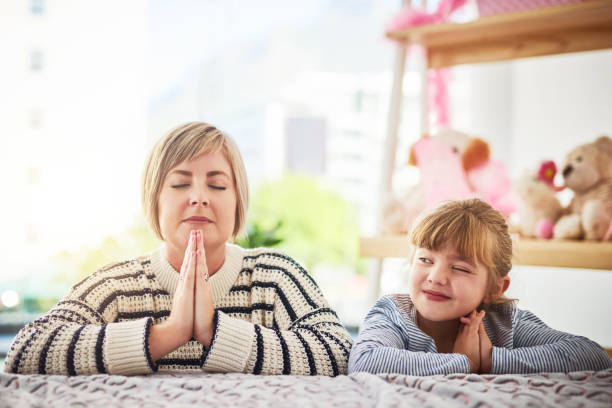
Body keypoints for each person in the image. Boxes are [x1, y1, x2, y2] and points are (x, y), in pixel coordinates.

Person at [5, 122, 352, 376]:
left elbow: (339, 352)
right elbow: (26, 350)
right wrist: (167, 334)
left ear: (238, 204)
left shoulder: (275, 276)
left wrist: (214, 333)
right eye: (180, 183)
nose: (199, 196)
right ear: (154, 202)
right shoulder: (118, 285)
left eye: (217, 185)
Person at [348, 199, 611, 375]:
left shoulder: (505, 323)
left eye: (460, 268)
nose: (436, 277)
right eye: (425, 260)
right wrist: (464, 363)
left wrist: (489, 360)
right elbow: (366, 360)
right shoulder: (393, 315)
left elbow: (591, 355)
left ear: (495, 288)